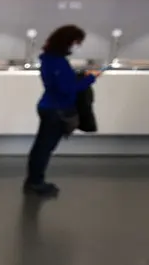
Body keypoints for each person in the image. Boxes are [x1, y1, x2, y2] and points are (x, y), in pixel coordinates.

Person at [25, 25, 101, 197]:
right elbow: (67, 89)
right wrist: (90, 78)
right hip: (56, 110)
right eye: (76, 42)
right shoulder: (57, 62)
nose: (77, 46)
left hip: (49, 106)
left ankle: (33, 179)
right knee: (44, 148)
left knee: (41, 147)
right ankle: (36, 182)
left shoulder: (49, 59)